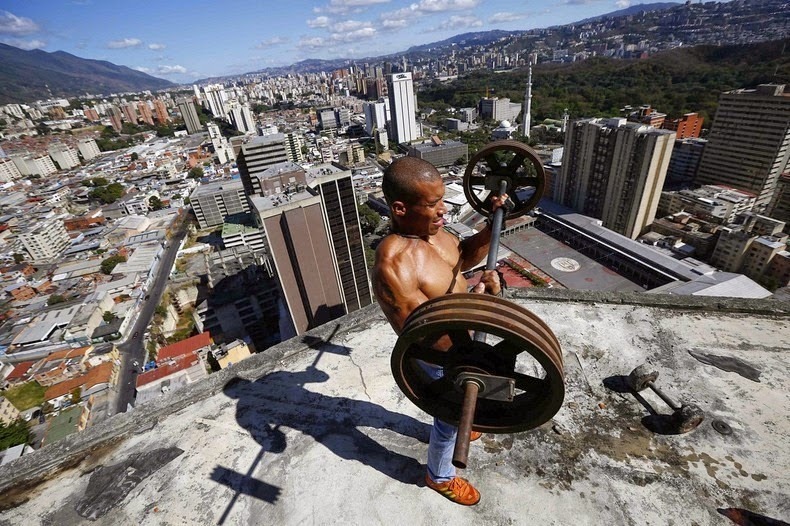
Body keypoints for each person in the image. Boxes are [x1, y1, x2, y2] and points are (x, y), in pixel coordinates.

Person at [372, 156, 507, 506]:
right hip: (440, 357)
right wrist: (480, 300)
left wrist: (491, 227)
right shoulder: (395, 264)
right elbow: (424, 332)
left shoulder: (434, 233)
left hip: (467, 336)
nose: (443, 210)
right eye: (433, 204)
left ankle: (464, 420)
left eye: (441, 200)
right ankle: (439, 475)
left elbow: (462, 258)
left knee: (462, 408)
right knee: (448, 419)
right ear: (400, 208)